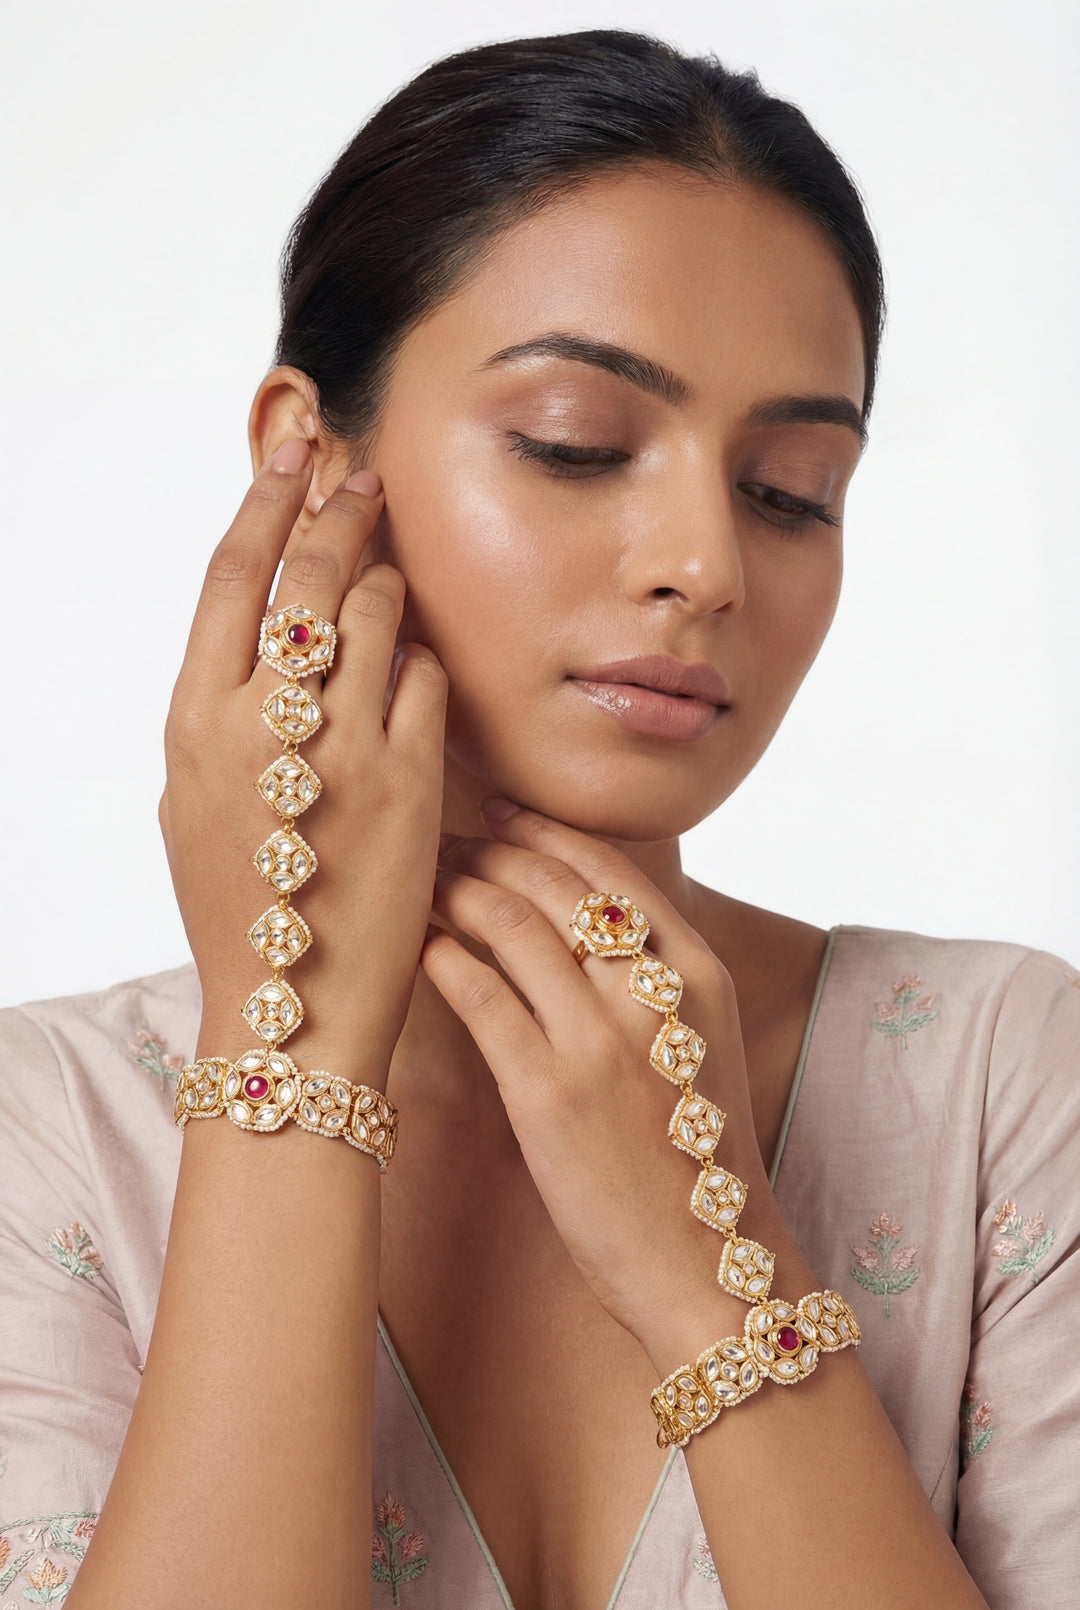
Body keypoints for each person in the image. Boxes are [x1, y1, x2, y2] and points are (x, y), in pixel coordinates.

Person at [0, 27, 1075, 1610]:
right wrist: (293, 1063)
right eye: (575, 443)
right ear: (311, 457)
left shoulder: (998, 1081)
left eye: (790, 488)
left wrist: (715, 1274)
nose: (705, 561)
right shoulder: (50, 1131)